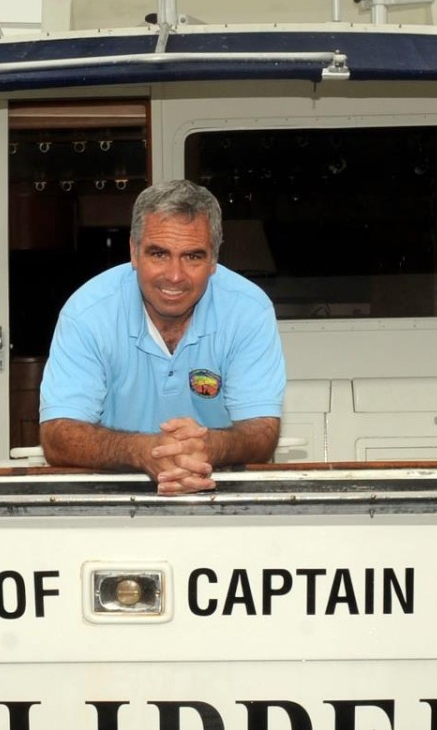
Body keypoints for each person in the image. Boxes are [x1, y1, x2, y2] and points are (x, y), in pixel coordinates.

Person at [39, 180, 286, 495]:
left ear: (213, 260)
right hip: (114, 495)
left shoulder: (249, 310)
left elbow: (262, 432)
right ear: (134, 251)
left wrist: (210, 447)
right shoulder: (87, 313)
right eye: (159, 254)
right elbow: (58, 436)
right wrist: (144, 451)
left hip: (221, 491)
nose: (174, 275)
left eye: (193, 256)